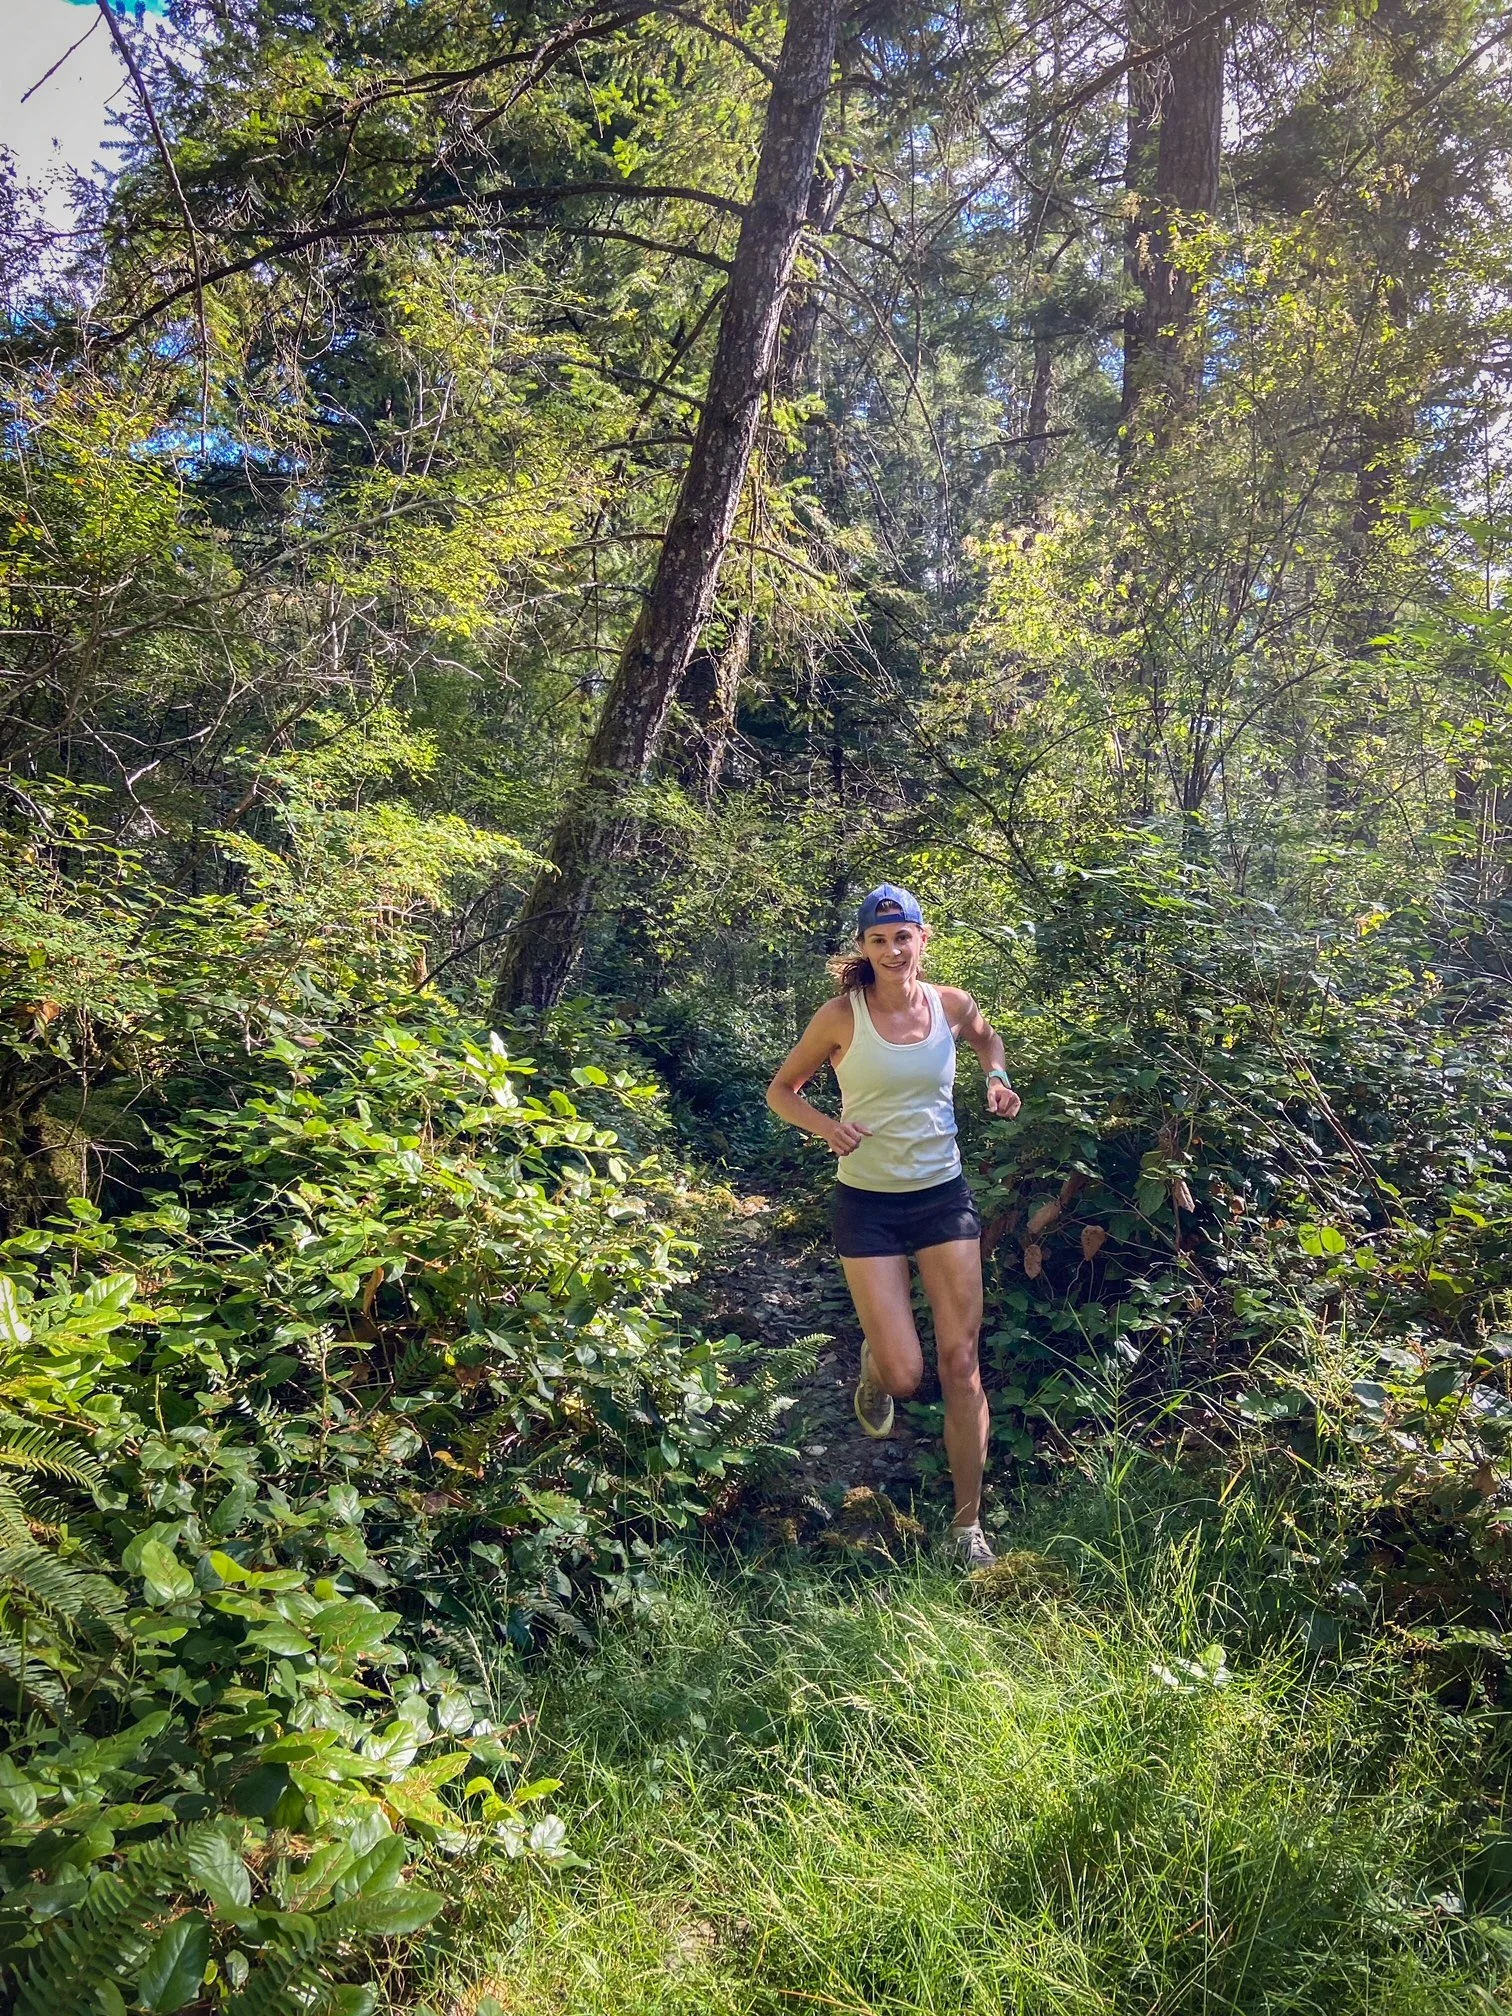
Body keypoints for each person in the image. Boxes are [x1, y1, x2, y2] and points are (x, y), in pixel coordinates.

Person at [765, 883, 1021, 1570]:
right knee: (910, 1376)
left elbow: (985, 1037)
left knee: (961, 1363)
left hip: (943, 1198)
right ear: (863, 948)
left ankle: (967, 1528)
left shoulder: (952, 1004)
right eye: (878, 940)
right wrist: (828, 1127)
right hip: (868, 1205)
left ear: (923, 938)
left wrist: (995, 1077)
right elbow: (781, 1090)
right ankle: (879, 1363)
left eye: (902, 936)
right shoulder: (839, 1017)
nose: (892, 949)